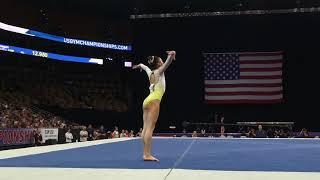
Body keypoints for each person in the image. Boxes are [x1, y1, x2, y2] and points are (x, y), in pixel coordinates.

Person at [132, 50, 176, 161]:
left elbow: (145, 67)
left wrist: (139, 66)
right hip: (155, 100)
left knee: (145, 128)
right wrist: (172, 54)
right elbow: (168, 63)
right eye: (161, 60)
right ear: (158, 64)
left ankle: (144, 153)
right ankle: (147, 155)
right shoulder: (159, 71)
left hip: (146, 101)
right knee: (150, 129)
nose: (162, 61)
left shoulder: (151, 73)